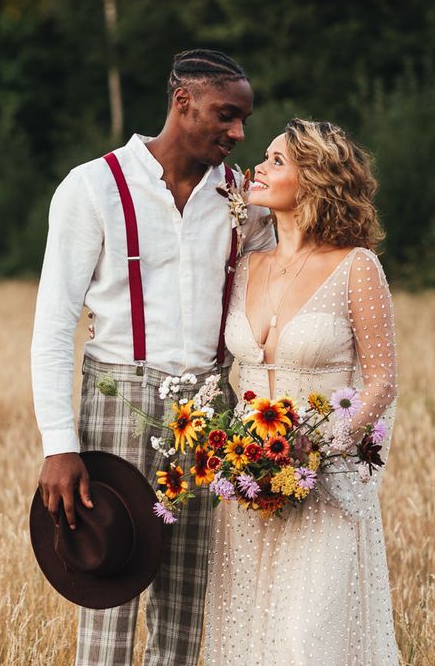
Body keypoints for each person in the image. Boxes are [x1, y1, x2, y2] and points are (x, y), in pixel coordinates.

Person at [31, 49, 275, 666]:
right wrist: (58, 444)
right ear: (182, 101)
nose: (239, 133)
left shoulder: (244, 198)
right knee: (109, 591)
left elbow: (267, 308)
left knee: (187, 609)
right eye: (226, 115)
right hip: (115, 401)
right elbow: (55, 324)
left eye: (244, 119)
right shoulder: (93, 186)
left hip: (210, 409)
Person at [204, 119, 399, 665]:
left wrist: (315, 453)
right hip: (245, 487)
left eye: (276, 161)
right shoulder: (246, 265)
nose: (258, 169)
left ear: (315, 181)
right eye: (262, 159)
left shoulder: (357, 267)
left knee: (307, 643)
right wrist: (234, 454)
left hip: (323, 487)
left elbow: (382, 381)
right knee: (246, 640)